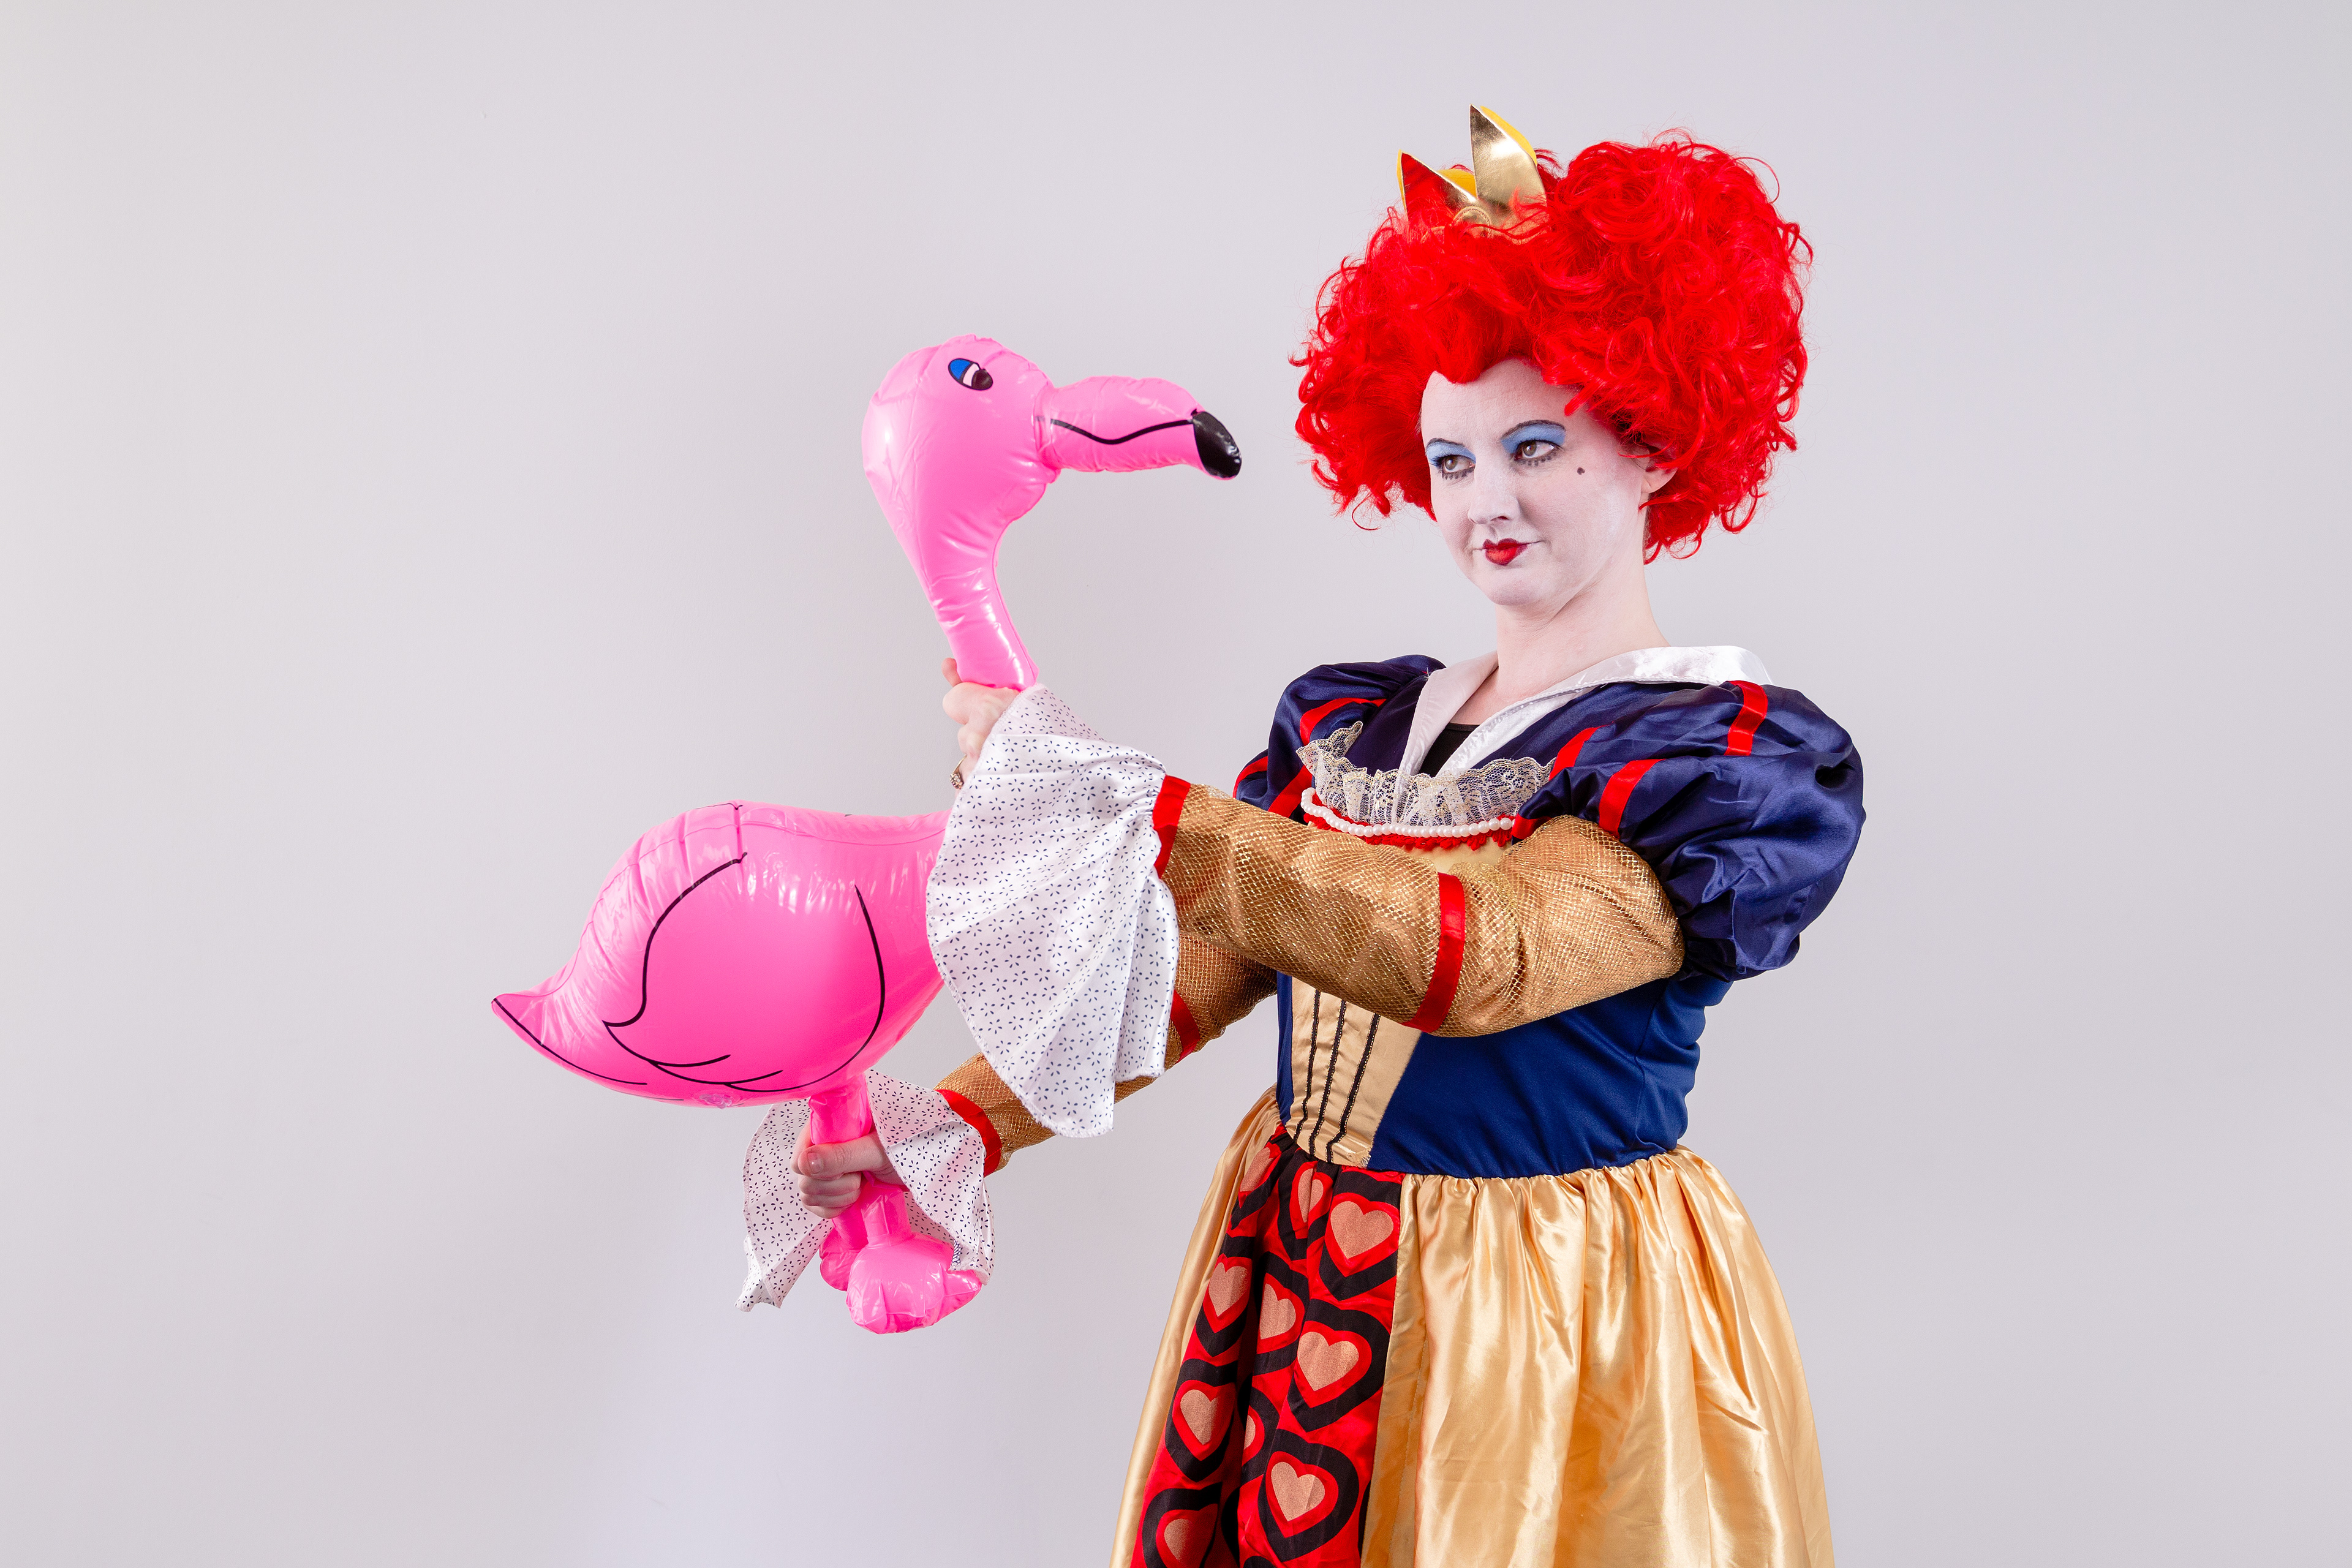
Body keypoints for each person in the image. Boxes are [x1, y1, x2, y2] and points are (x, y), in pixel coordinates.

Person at [794, 110, 1863, 1568]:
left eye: (1534, 445)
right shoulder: (1366, 723)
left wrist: (1123, 800)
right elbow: (1192, 973)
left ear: (1657, 441)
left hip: (1541, 1311)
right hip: (1303, 1263)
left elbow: (1474, 959)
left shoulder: (1708, 761)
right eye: (1449, 458)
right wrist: (948, 1127)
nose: (1486, 500)